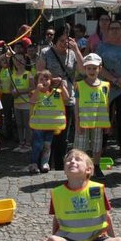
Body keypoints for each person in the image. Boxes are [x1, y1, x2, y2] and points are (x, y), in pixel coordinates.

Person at [43, 149, 121, 241]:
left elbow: (106, 216)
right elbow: (57, 219)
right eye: (68, 160)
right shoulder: (57, 193)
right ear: (65, 170)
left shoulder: (96, 189)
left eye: (77, 159)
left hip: (96, 238)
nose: (72, 161)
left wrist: (112, 238)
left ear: (88, 169)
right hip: (69, 239)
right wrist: (54, 238)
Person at [37, 25, 83, 169]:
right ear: (55, 40)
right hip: (49, 98)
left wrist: (76, 49)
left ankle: (59, 165)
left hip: (67, 98)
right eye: (61, 41)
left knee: (63, 135)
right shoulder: (46, 52)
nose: (64, 44)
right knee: (47, 133)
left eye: (66, 41)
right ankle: (44, 163)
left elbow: (82, 70)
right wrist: (52, 79)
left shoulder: (72, 53)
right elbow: (39, 72)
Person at [97, 20, 121, 157]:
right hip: (106, 86)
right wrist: (113, 79)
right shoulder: (102, 46)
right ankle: (101, 147)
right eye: (111, 28)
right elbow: (98, 66)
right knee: (104, 117)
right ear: (107, 31)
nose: (114, 31)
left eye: (117, 28)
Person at [74, 53, 111, 176]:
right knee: (81, 146)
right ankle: (81, 167)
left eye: (94, 68)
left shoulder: (105, 86)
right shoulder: (80, 85)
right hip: (84, 121)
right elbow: (77, 106)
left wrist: (107, 123)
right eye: (89, 68)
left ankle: (96, 166)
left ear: (99, 69)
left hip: (98, 122)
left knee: (97, 145)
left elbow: (106, 105)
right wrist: (77, 122)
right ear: (85, 69)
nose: (91, 71)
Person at [29, 70, 69, 174]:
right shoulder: (35, 93)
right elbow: (32, 101)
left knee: (47, 146)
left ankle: (44, 163)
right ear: (37, 82)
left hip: (50, 125)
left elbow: (67, 98)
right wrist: (37, 89)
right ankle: (34, 163)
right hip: (38, 126)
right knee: (37, 145)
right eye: (41, 79)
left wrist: (62, 85)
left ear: (50, 81)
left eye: (46, 79)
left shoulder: (56, 92)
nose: (44, 81)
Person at [8, 39, 34, 153]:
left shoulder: (28, 74)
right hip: (17, 103)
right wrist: (13, 92)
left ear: (24, 60)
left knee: (27, 124)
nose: (18, 62)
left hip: (26, 103)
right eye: (16, 60)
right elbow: (10, 88)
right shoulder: (12, 74)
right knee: (19, 124)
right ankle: (21, 143)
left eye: (20, 60)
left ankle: (28, 144)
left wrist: (20, 92)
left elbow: (32, 88)